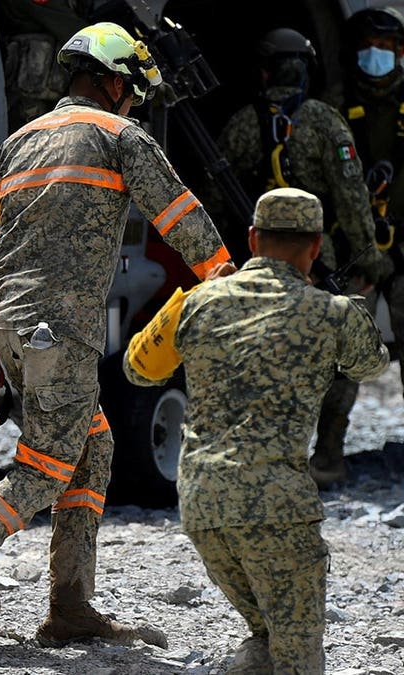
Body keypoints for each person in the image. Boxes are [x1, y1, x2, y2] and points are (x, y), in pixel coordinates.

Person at [0, 22, 235, 659]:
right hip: (59, 329)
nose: (132, 103)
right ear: (113, 81)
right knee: (45, 467)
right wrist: (226, 279)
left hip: (12, 327)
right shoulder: (120, 135)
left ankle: (70, 606)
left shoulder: (17, 142)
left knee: (93, 445)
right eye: (131, 90)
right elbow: (178, 212)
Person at [124, 187, 389, 673]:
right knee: (298, 657)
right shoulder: (330, 313)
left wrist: (194, 296)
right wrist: (348, 305)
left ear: (251, 239)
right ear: (315, 247)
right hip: (278, 510)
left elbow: (138, 368)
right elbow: (372, 363)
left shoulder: (198, 303)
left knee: (267, 635)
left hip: (204, 507)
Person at [216, 27, 394, 489]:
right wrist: (371, 262)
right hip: (322, 265)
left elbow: (215, 199)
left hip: (254, 261)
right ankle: (328, 456)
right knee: (338, 360)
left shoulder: (239, 124)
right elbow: (353, 199)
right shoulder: (325, 121)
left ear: (263, 71)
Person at [339, 7, 404, 486]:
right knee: (341, 356)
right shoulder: (333, 109)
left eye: (387, 48)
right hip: (354, 251)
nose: (377, 58)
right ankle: (326, 453)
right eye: (369, 47)